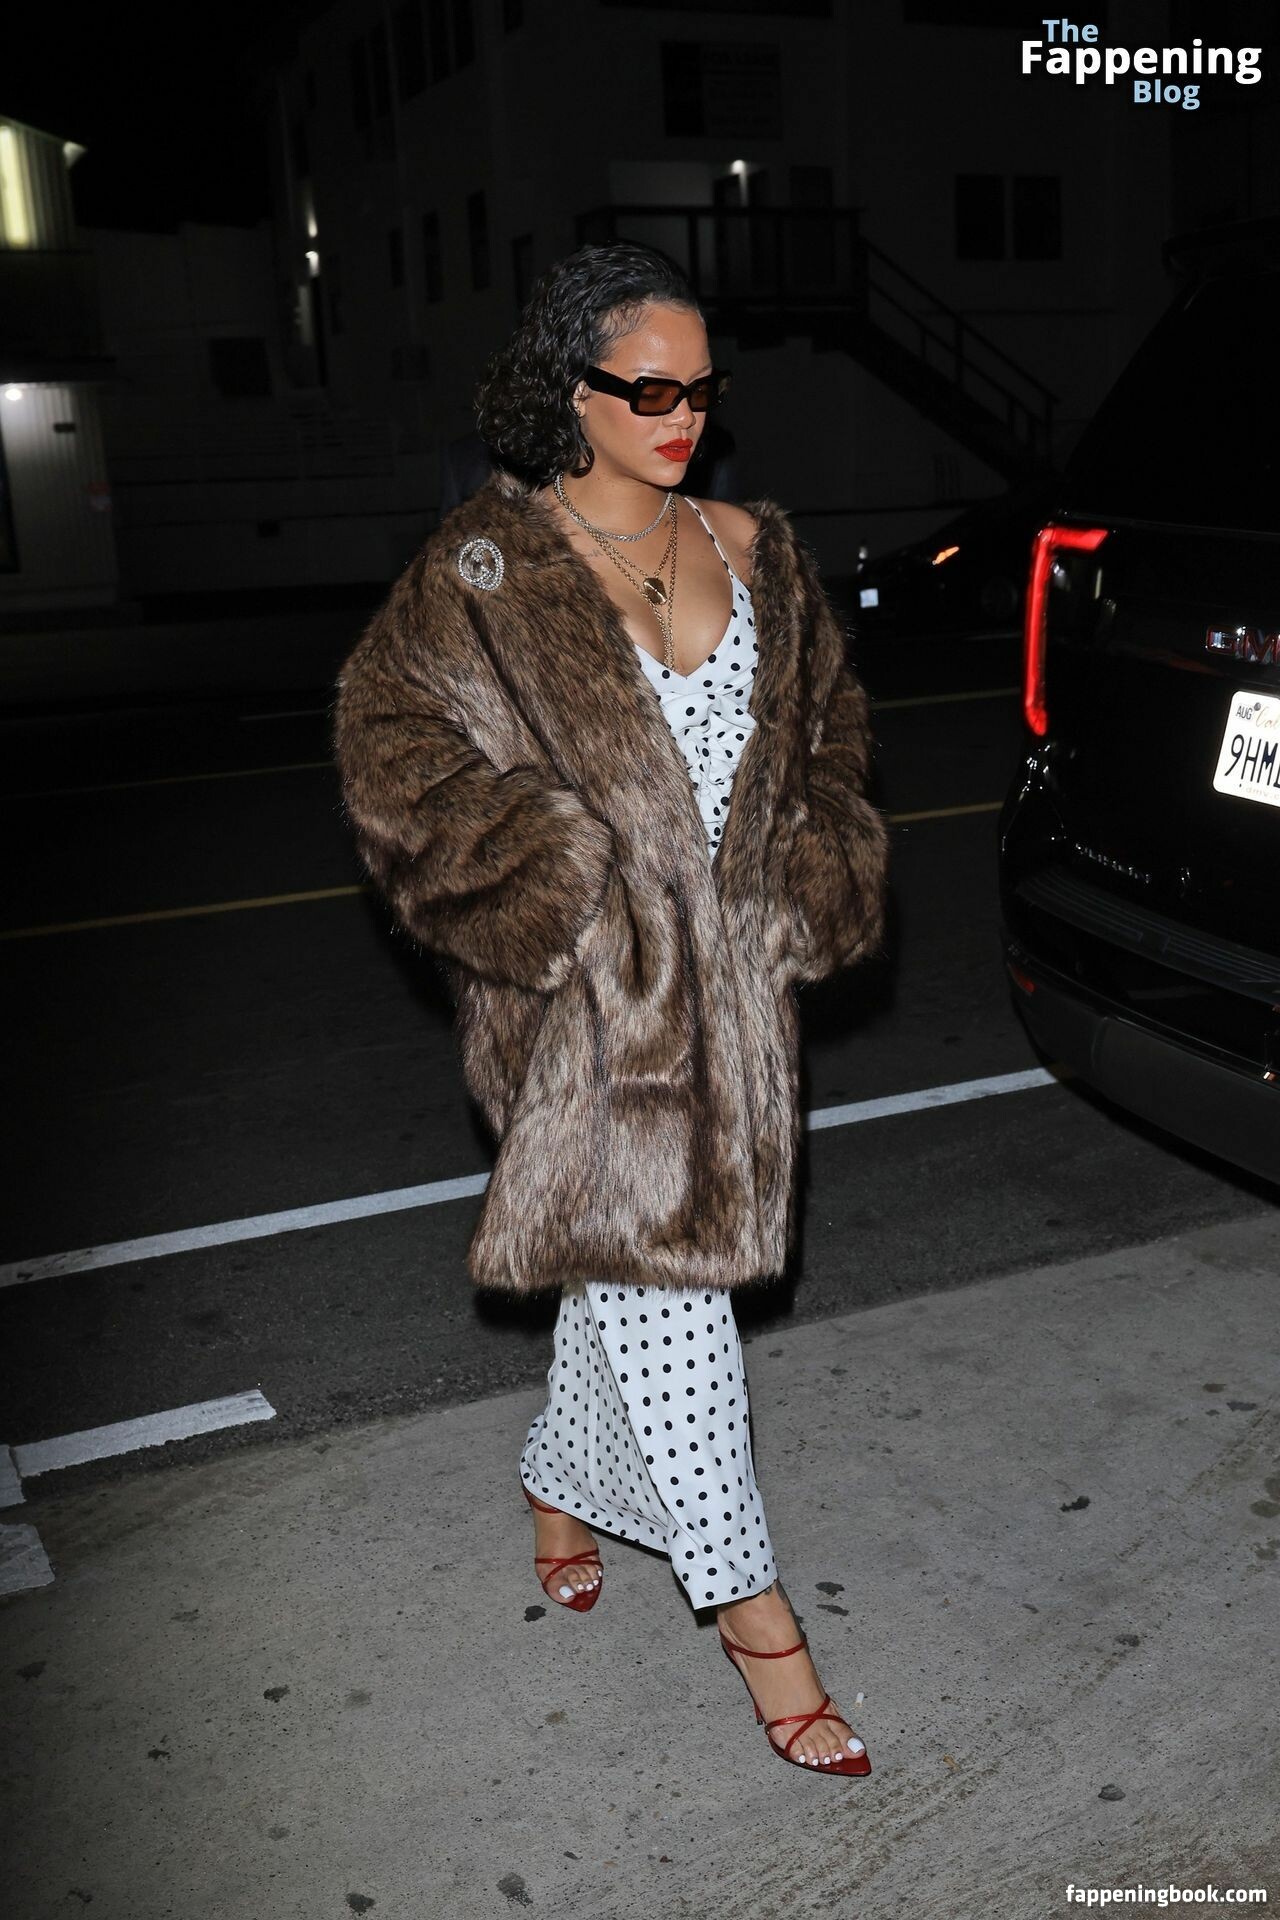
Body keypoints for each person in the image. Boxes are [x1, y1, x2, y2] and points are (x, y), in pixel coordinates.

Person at [333, 242, 889, 1776]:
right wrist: (552, 881)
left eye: (700, 389)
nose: (682, 415)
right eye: (647, 389)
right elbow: (391, 745)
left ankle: (558, 1475)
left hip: (738, 1003)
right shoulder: (491, 568)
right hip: (588, 1008)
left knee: (632, 1275)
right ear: (567, 391)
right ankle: (763, 1628)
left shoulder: (755, 547)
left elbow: (833, 732)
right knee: (676, 1299)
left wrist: (816, 862)